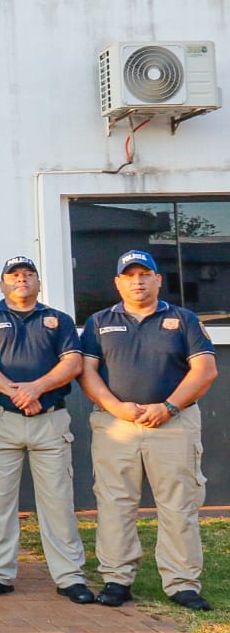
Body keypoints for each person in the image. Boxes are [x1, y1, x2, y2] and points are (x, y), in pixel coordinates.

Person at [79, 249, 218, 612]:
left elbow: (205, 370)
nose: (137, 282)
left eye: (144, 275)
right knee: (114, 502)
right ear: (118, 283)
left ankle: (182, 584)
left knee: (178, 503)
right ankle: (116, 579)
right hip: (115, 425)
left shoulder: (184, 319)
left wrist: (168, 406)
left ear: (158, 280)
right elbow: (87, 372)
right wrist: (115, 407)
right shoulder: (98, 322)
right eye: (129, 276)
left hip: (173, 424)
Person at [0, 256, 93, 604]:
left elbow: (73, 363)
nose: (21, 279)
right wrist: (19, 394)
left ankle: (70, 577)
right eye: (14, 275)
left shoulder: (59, 320)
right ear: (2, 284)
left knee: (58, 502)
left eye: (28, 274)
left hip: (50, 420)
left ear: (38, 282)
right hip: (1, 419)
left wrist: (35, 389)